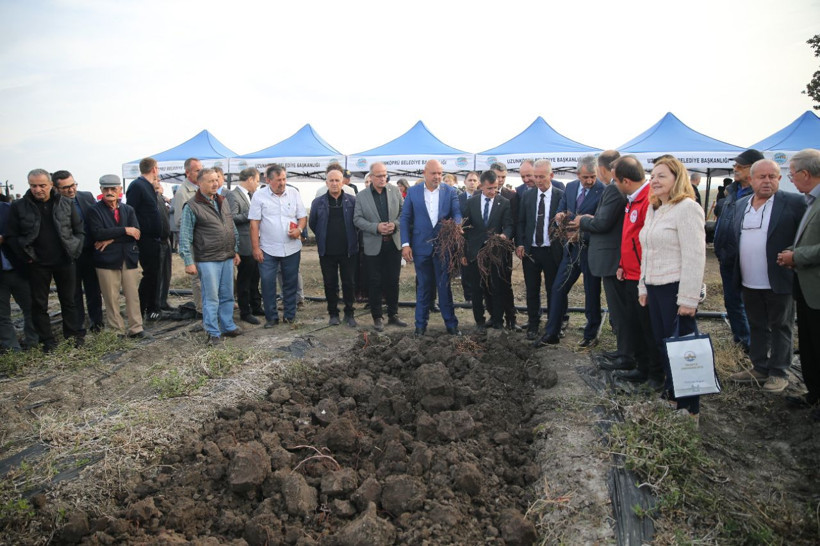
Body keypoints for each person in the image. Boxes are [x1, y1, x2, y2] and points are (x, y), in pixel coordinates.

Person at [726, 159, 805, 392]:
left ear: (779, 179)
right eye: (762, 177)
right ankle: (760, 367)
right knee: (757, 324)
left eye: (773, 176)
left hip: (779, 278)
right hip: (749, 279)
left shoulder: (794, 203)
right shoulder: (741, 205)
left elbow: (806, 234)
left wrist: (794, 252)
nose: (767, 181)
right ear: (751, 180)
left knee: (781, 325)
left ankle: (779, 372)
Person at [638, 155, 706, 421]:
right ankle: (672, 395)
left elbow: (695, 255)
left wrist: (688, 298)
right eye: (652, 176)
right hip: (655, 288)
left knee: (683, 349)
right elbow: (647, 251)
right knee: (663, 344)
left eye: (661, 176)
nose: (654, 181)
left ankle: (690, 409)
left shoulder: (687, 208)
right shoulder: (654, 208)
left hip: (676, 290)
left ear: (678, 179)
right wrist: (642, 287)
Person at [601, 156, 664, 389]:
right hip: (629, 274)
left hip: (643, 277)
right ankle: (641, 366)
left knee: (648, 328)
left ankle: (655, 375)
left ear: (625, 180)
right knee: (635, 324)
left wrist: (641, 275)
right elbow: (629, 238)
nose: (614, 185)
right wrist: (621, 263)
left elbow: (649, 244)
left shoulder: (649, 201)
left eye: (615, 180)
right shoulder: (632, 200)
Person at [6, 169, 85, 351]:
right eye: (33, 185)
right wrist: (27, 256)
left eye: (42, 185)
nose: (38, 189)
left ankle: (73, 337)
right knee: (39, 305)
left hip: (64, 260)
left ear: (51, 185)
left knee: (69, 300)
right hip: (37, 264)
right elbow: (12, 236)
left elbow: (78, 229)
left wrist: (75, 249)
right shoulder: (19, 206)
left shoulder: (65, 203)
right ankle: (47, 341)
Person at [537, 155, 604, 347]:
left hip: (590, 250)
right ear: (578, 174)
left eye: (593, 176)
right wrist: (560, 215)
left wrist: (582, 228)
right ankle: (552, 333)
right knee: (558, 288)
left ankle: (591, 334)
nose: (590, 181)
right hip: (571, 250)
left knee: (591, 293)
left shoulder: (604, 191)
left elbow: (601, 221)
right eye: (586, 177)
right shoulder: (571, 187)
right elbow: (563, 208)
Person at [777, 149, 820, 417]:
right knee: (809, 344)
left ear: (805, 173)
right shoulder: (811, 201)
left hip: (816, 288)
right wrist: (792, 252)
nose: (790, 180)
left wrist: (797, 256)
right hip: (806, 288)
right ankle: (813, 393)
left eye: (791, 174)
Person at [572, 151, 628, 355]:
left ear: (602, 169)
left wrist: (584, 221)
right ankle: (623, 350)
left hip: (611, 257)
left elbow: (603, 222)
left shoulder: (613, 189)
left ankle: (624, 352)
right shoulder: (617, 188)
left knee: (618, 307)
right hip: (613, 256)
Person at [179, 168, 242, 345]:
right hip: (208, 259)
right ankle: (213, 331)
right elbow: (185, 236)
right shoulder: (192, 206)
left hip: (227, 257)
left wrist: (235, 250)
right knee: (211, 297)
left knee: (228, 295)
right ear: (200, 183)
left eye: (216, 180)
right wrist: (188, 261)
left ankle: (228, 325)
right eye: (210, 181)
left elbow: (231, 227)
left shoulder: (222, 201)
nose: (215, 183)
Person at [400, 159, 462, 336]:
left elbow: (457, 212)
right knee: (424, 288)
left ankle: (451, 325)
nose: (437, 176)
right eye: (434, 173)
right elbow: (405, 219)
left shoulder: (450, 192)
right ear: (424, 174)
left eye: (440, 173)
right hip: (421, 248)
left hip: (443, 248)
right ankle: (420, 326)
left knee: (444, 287)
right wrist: (405, 244)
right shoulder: (413, 192)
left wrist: (457, 225)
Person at [86, 175, 151, 339]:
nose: (109, 192)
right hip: (106, 260)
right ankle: (117, 330)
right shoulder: (94, 210)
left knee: (132, 295)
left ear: (120, 190)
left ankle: (136, 328)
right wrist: (124, 230)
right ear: (101, 190)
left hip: (128, 258)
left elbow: (136, 233)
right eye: (106, 189)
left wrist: (112, 238)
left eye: (113, 189)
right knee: (110, 296)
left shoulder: (128, 210)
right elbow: (97, 233)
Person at [713, 149, 764, 352]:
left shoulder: (760, 194)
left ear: (754, 168)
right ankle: (741, 341)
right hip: (728, 256)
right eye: (735, 165)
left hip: (750, 258)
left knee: (751, 303)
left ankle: (755, 346)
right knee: (732, 300)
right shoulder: (731, 192)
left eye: (741, 166)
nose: (735, 169)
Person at [249, 164, 307, 328]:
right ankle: (271, 318)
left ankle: (289, 316)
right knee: (267, 283)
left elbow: (302, 217)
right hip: (268, 249)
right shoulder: (259, 196)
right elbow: (254, 224)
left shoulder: (294, 193)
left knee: (290, 282)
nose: (282, 183)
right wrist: (256, 248)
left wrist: (300, 230)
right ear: (268, 180)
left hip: (291, 248)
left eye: (284, 179)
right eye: (278, 180)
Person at [354, 162, 407, 332]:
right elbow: (357, 219)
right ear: (371, 177)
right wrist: (375, 227)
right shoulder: (362, 196)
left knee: (393, 280)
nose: (383, 178)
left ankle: (393, 314)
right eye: (379, 175)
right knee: (374, 281)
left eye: (385, 175)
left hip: (393, 244)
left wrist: (395, 225)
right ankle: (377, 317)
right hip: (373, 246)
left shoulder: (395, 191)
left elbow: (404, 213)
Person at [516, 159, 564, 340]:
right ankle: (533, 324)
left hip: (553, 251)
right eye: (535, 176)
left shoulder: (560, 196)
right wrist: (520, 243)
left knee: (555, 290)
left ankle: (554, 326)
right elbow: (521, 221)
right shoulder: (528, 196)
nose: (537, 180)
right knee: (532, 289)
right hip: (531, 251)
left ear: (551, 175)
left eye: (541, 177)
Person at [461, 170, 513, 331]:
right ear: (481, 186)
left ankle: (497, 320)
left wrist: (505, 235)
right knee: (477, 288)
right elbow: (465, 229)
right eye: (489, 188)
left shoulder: (503, 203)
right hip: (475, 252)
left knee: (496, 286)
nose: (493, 192)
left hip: (495, 252)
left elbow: (509, 225)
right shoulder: (471, 203)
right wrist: (463, 253)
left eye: (495, 188)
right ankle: (480, 321)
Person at [53, 170, 104, 333]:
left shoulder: (86, 197)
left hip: (89, 252)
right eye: (65, 187)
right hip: (69, 256)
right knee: (73, 293)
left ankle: (97, 323)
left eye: (73, 185)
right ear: (56, 188)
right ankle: (78, 325)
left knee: (93, 290)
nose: (71, 190)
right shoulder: (54, 204)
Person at [309, 164, 359, 327]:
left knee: (349, 283)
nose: (334, 183)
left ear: (343, 182)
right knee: (330, 283)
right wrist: (324, 236)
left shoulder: (352, 201)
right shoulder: (318, 202)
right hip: (327, 251)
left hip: (348, 251)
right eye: (331, 180)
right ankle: (333, 314)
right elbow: (313, 223)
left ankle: (350, 313)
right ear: (326, 182)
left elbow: (357, 223)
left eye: (337, 180)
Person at [125, 157, 164, 321]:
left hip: (154, 238)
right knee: (149, 274)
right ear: (155, 169)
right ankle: (140, 310)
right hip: (145, 239)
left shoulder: (148, 187)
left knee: (155, 274)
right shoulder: (137, 186)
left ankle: (153, 308)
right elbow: (130, 211)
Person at [227, 167, 264, 325]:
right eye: (256, 181)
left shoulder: (254, 195)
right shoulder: (233, 195)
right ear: (249, 179)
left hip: (254, 242)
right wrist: (251, 215)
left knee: (255, 277)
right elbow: (231, 218)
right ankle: (245, 311)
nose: (257, 184)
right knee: (244, 279)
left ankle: (256, 306)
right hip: (243, 244)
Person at [0, 199, 38, 352]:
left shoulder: (8, 209)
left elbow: (23, 232)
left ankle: (33, 343)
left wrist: (5, 237)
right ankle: (12, 349)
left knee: (31, 307)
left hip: (17, 268)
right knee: (2, 315)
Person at [489, 163, 521, 330]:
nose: (500, 180)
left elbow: (514, 222)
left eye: (503, 177)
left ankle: (511, 317)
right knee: (488, 283)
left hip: (504, 248)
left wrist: (506, 237)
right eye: (497, 176)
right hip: (486, 249)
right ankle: (494, 315)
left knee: (505, 283)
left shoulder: (511, 196)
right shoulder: (483, 193)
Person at [174, 158, 203, 317]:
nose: (200, 172)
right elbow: (180, 221)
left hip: (204, 242)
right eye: (197, 170)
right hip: (193, 242)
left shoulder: (200, 188)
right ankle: (200, 309)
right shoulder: (182, 193)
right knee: (197, 278)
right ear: (188, 172)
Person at [458, 171, 481, 304]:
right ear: (465, 182)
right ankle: (468, 296)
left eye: (474, 180)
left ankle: (480, 295)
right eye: (470, 180)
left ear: (478, 183)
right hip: (463, 237)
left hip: (478, 237)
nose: (472, 183)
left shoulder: (482, 197)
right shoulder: (459, 198)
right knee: (465, 266)